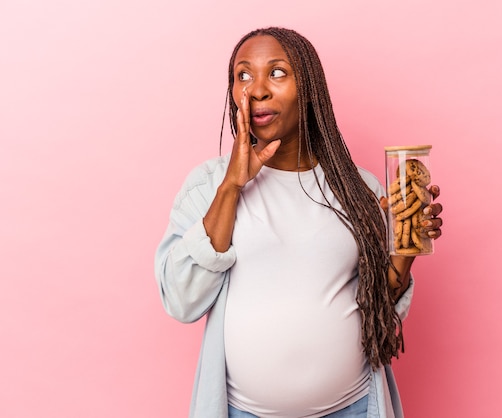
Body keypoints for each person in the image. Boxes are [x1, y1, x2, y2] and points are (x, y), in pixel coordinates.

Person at [155, 27, 443, 418]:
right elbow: (181, 300)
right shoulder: (209, 186)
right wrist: (232, 186)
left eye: (276, 73)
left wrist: (404, 251)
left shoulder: (358, 189)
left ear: (308, 88)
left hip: (353, 407)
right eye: (243, 75)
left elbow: (378, 308)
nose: (257, 89)